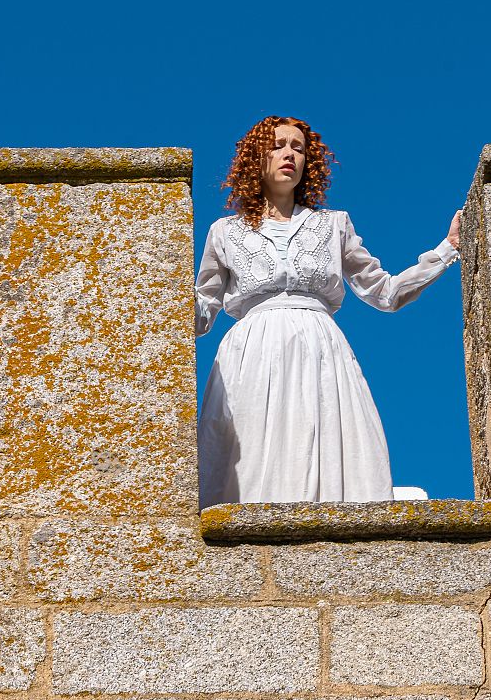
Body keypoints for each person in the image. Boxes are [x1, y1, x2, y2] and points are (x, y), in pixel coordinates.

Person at [194, 115, 461, 508]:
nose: (289, 154)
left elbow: (384, 292)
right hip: (252, 352)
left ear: (309, 163)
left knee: (324, 447)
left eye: (299, 148)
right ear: (256, 159)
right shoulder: (224, 232)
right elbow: (201, 312)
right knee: (249, 461)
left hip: (318, 345)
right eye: (279, 144)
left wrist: (446, 251)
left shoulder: (334, 225)